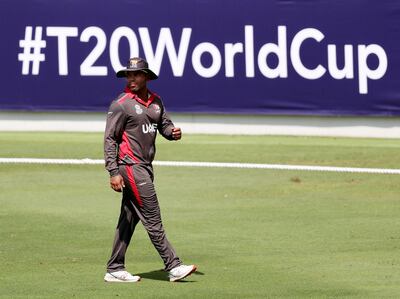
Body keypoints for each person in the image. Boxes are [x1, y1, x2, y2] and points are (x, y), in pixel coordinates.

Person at [103, 57, 196, 283]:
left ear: (146, 76)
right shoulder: (121, 103)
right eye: (128, 75)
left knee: (129, 217)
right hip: (131, 167)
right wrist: (113, 171)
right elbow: (110, 140)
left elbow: (163, 124)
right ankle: (173, 266)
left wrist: (172, 131)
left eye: (136, 74)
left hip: (146, 166)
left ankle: (115, 268)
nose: (131, 78)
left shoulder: (156, 101)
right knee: (152, 216)